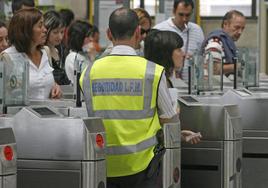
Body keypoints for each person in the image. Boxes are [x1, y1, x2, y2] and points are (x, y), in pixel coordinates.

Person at [80, 7, 200, 188]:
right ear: (138, 32)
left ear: (108, 34)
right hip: (143, 168)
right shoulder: (152, 71)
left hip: (100, 164)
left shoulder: (88, 73)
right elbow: (169, 120)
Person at [144, 29, 202, 139]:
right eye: (179, 50)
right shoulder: (156, 79)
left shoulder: (166, 80)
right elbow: (167, 118)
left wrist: (178, 134)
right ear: (166, 53)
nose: (184, 54)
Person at [3, 8, 61, 100]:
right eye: (40, 26)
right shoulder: (7, 57)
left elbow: (44, 81)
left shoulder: (46, 52)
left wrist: (55, 87)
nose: (45, 30)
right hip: (20, 113)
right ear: (26, 30)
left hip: (48, 112)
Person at [154, 0, 204, 80]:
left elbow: (201, 58)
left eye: (188, 15)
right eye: (181, 14)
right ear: (174, 11)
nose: (184, 19)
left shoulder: (197, 30)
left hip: (191, 83)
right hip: (166, 81)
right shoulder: (160, 29)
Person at [202, 10, 246, 75]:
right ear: (225, 24)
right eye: (237, 27)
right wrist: (239, 66)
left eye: (242, 28)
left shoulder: (228, 43)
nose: (240, 32)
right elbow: (213, 69)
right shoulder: (215, 42)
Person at [44, 10, 70, 85]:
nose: (60, 36)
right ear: (46, 31)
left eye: (62, 32)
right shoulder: (42, 52)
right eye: (55, 32)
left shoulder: (61, 49)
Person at [65, 20, 93, 84]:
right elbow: (87, 79)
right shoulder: (73, 57)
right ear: (79, 38)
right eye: (88, 36)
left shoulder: (84, 55)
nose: (91, 39)